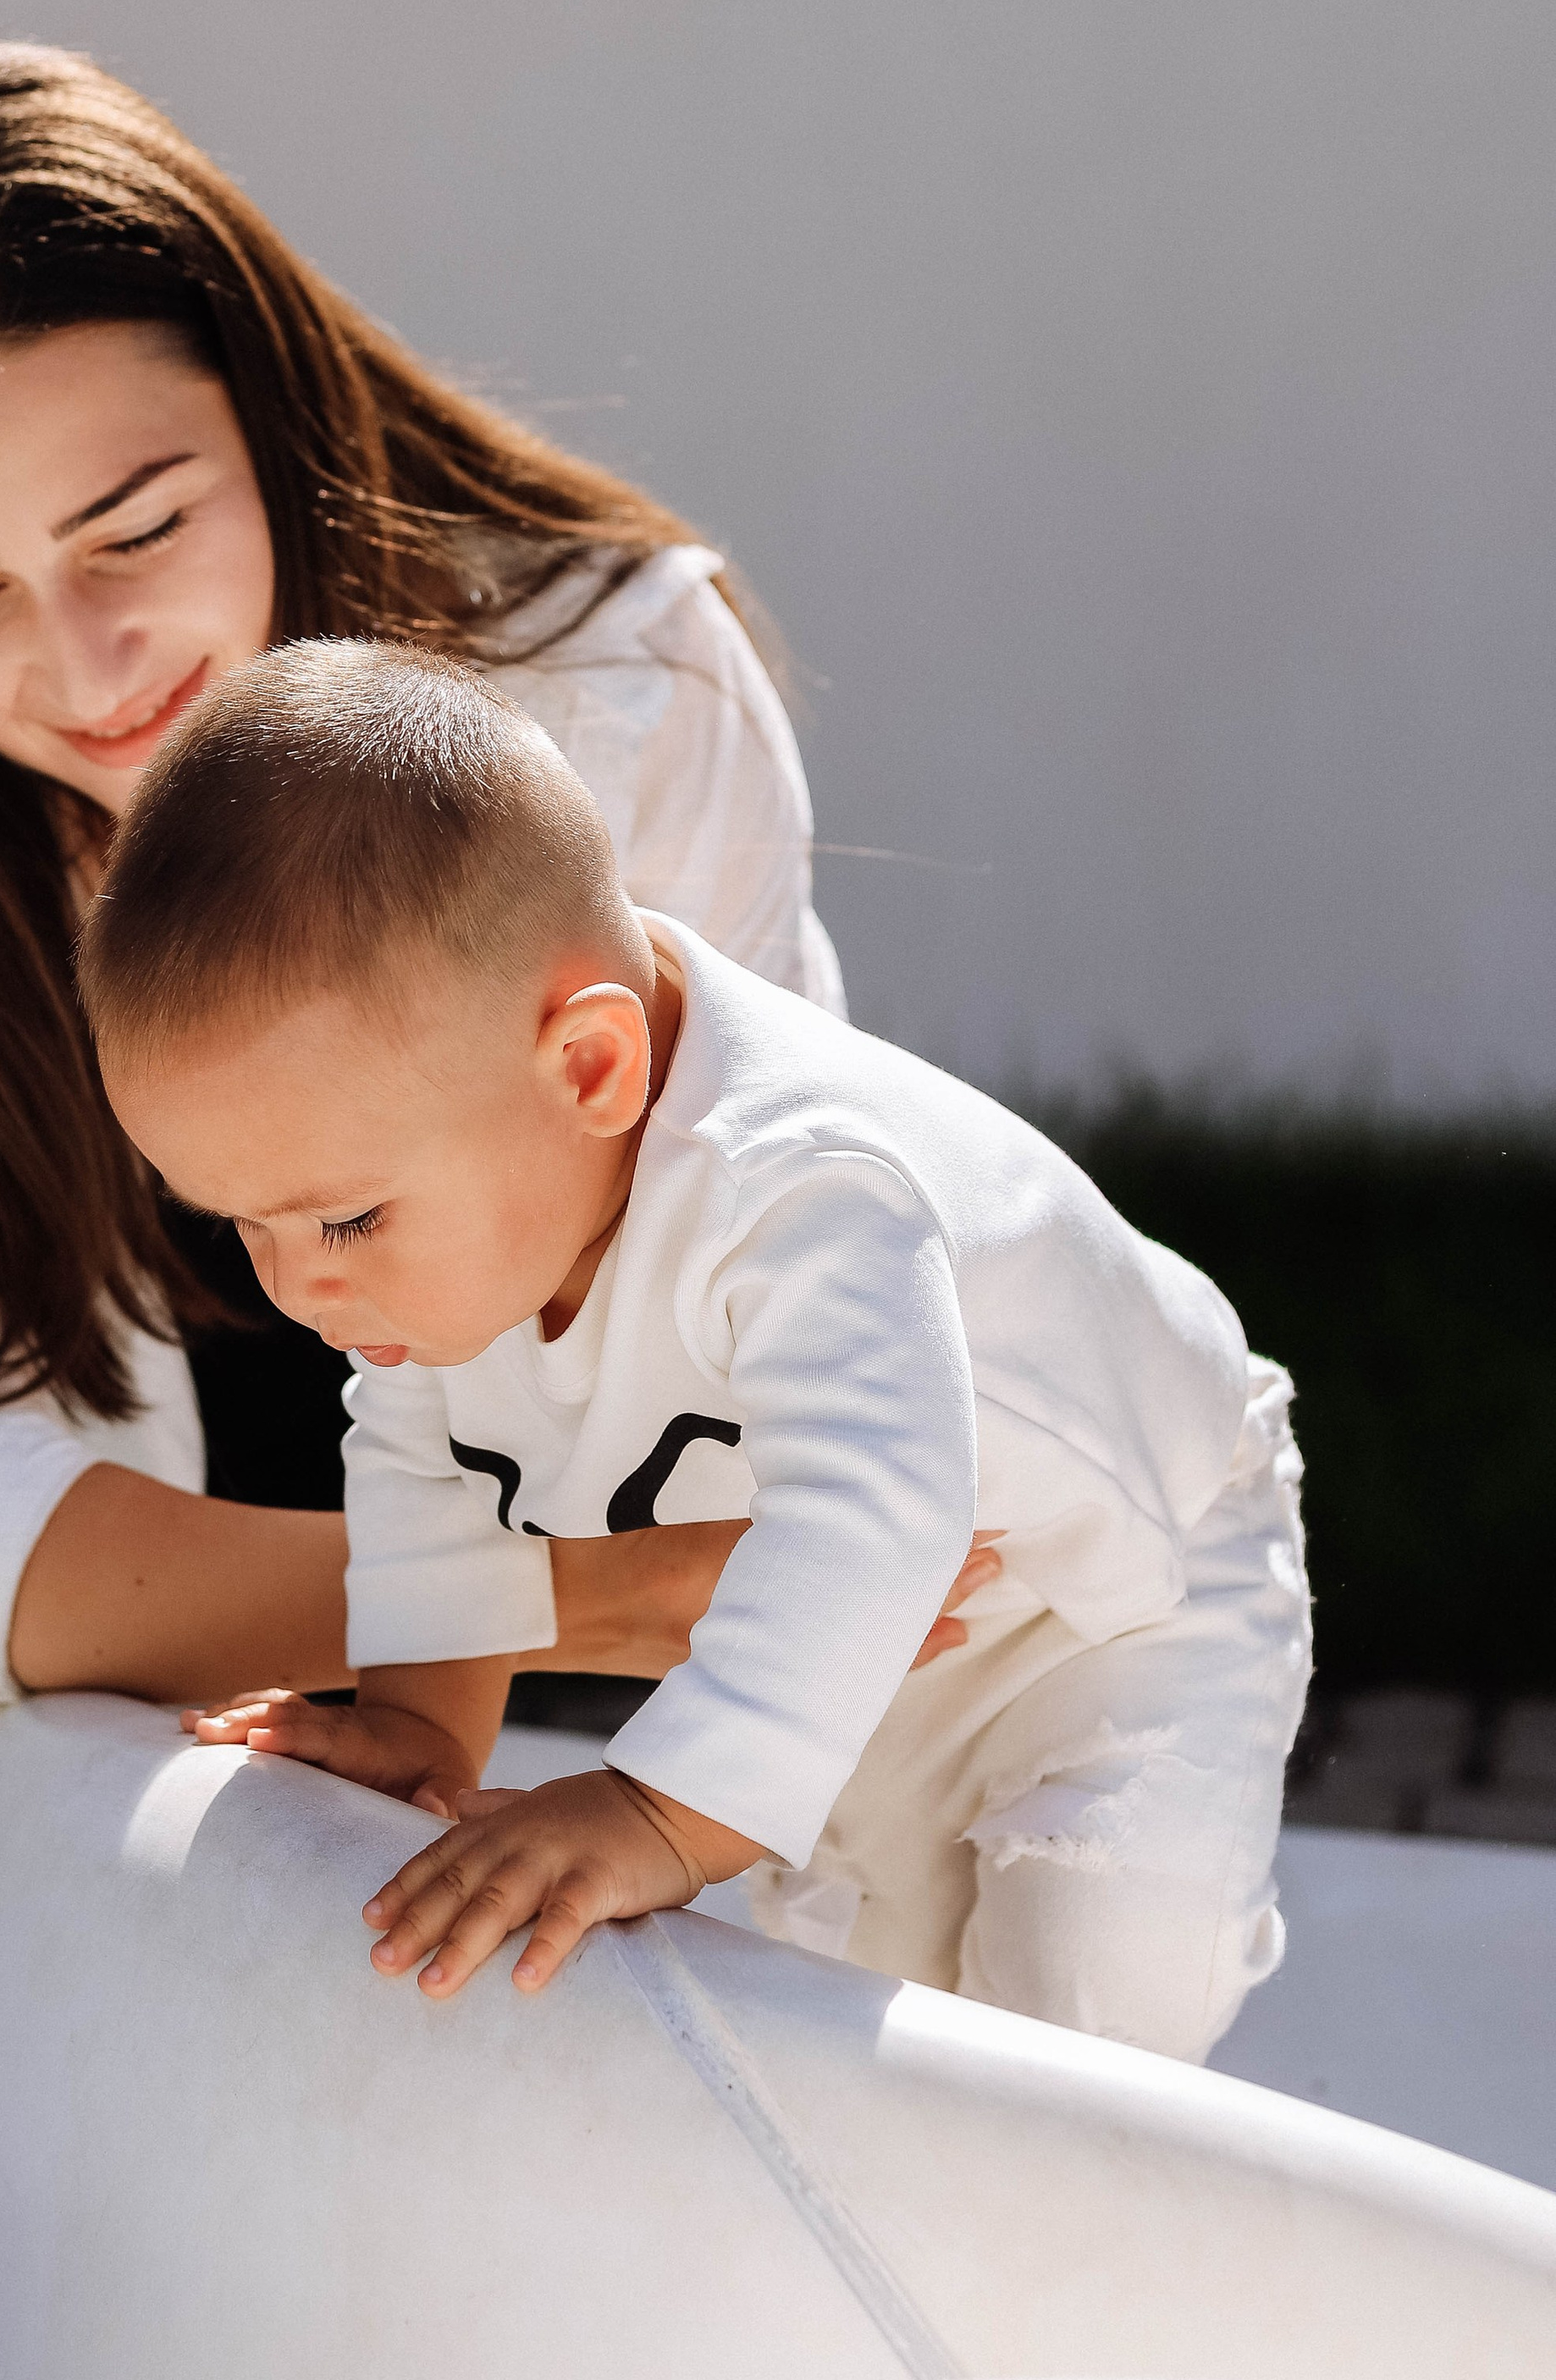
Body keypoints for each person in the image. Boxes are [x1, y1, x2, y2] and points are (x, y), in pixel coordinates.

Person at [0, 45, 993, 2380]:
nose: (89, 653)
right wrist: (589, 1595)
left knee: (539, 2120)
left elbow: (749, 1270)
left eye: (139, 521)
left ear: (274, 407)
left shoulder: (614, 685)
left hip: (494, 1398)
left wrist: (629, 1610)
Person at [85, 641, 1314, 2064]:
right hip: (895, 1632)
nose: (299, 1284)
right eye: (246, 1225)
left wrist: (658, 1816)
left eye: (346, 1217)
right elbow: (425, 1456)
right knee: (872, 1991)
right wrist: (428, 1724)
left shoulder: (800, 1187)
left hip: (1121, 1585)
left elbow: (877, 1515)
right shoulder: (474, 1191)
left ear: (591, 1071)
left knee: (1093, 1985)